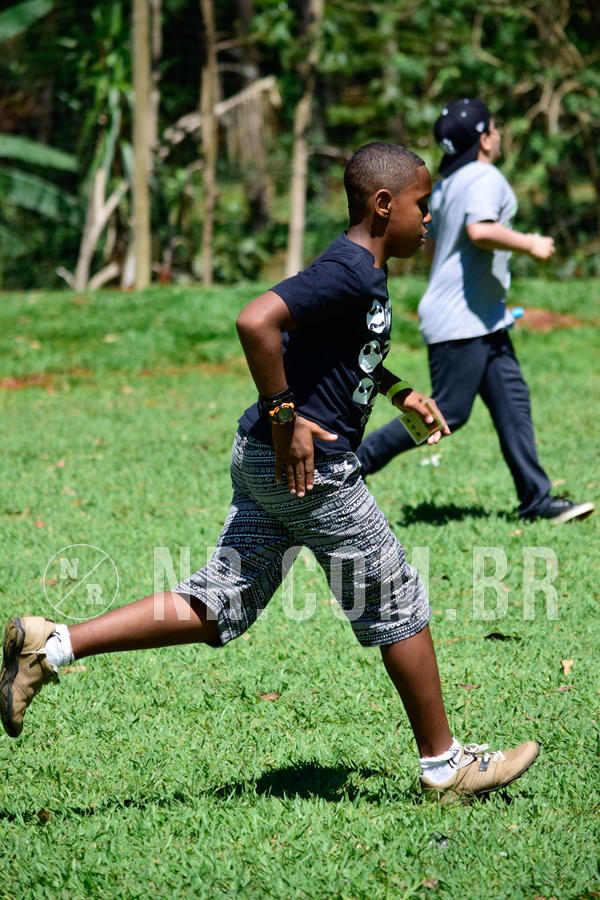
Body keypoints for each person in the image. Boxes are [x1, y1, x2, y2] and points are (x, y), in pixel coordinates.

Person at [0, 142, 539, 802]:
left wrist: (395, 390)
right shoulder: (348, 269)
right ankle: (445, 765)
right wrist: (287, 419)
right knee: (396, 596)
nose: (429, 220)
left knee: (220, 604)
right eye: (423, 206)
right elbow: (256, 320)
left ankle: (48, 647)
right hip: (308, 470)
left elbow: (330, 348)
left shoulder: (363, 271)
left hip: (266, 460)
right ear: (383, 204)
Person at [357, 100, 594, 525]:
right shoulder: (483, 176)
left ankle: (537, 500)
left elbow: (430, 243)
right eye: (496, 129)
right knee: (451, 408)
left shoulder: (447, 182)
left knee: (512, 403)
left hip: (482, 316)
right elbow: (479, 230)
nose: (499, 135)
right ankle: (355, 465)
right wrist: (531, 243)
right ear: (485, 138)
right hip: (461, 319)